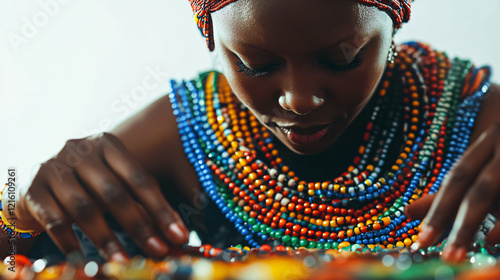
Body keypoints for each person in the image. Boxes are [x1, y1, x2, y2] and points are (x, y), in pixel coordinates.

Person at [1, 0, 499, 265]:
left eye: (341, 59)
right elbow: (11, 245)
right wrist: (15, 202)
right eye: (255, 65)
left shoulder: (477, 123)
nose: (298, 100)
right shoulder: (188, 132)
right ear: (212, 43)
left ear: (394, 31)